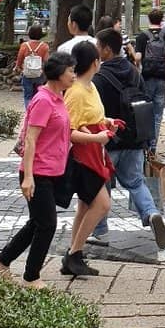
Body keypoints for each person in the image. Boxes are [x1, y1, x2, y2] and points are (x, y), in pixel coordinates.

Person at [0, 52, 74, 288]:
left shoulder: (58, 98)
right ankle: (31, 276)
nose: (73, 75)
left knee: (37, 222)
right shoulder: (43, 100)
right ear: (58, 73)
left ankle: (1, 261)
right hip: (37, 172)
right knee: (47, 224)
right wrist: (28, 177)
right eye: (71, 71)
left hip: (52, 171)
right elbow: (30, 139)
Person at [93, 28, 165, 248]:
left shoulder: (99, 77)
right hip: (135, 139)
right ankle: (150, 213)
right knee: (136, 181)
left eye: (98, 46)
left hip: (109, 139)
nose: (96, 50)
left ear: (106, 49)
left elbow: (96, 111)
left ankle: (100, 230)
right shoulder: (134, 71)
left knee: (102, 184)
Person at [62, 40, 118, 277]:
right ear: (95, 62)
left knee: (85, 206)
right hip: (82, 156)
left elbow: (91, 117)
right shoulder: (75, 92)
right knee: (103, 203)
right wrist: (97, 138)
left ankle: (74, 254)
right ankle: (74, 253)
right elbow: (70, 130)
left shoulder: (90, 87)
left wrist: (106, 122)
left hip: (94, 152)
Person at [134, 8, 165, 154]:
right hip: (163, 78)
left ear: (149, 20)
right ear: (162, 19)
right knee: (158, 114)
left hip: (147, 77)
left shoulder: (142, 36)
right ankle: (153, 147)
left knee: (145, 112)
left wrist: (138, 64)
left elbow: (138, 57)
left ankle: (144, 145)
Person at [15, 23, 50, 108]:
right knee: (38, 95)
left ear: (29, 33)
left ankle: (29, 114)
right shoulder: (44, 46)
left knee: (28, 96)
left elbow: (19, 59)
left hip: (27, 73)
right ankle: (37, 112)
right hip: (39, 74)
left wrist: (17, 67)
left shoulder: (24, 45)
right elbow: (46, 61)